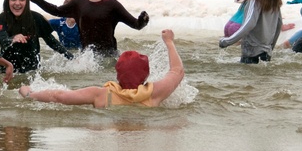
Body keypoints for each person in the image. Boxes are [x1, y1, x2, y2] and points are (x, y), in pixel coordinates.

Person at [19, 30, 185, 108]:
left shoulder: (100, 94)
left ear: (118, 73)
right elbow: (177, 71)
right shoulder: (154, 93)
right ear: (146, 75)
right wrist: (169, 41)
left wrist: (29, 94)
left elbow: (58, 96)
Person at [28, 0, 149, 55]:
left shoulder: (113, 5)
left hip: (109, 56)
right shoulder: (78, 2)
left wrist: (143, 20)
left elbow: (136, 25)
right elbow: (56, 10)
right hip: (87, 57)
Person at [0, 0, 73, 73]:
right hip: (7, 71)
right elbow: (3, 40)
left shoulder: (36, 18)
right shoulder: (3, 18)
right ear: (8, 1)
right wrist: (13, 38)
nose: (17, 3)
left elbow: (52, 42)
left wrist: (72, 58)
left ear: (27, 1)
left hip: (32, 72)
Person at [219, 0, 283, 63]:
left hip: (252, 52)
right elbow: (278, 26)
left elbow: (249, 24)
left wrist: (227, 41)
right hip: (266, 54)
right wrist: (270, 48)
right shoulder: (274, 2)